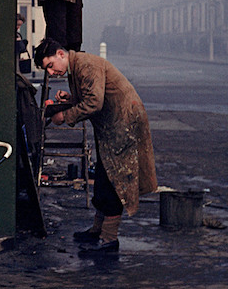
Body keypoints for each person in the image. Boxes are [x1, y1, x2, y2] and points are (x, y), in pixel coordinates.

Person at [33, 38, 157, 253]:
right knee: (103, 174)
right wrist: (71, 99)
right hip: (111, 124)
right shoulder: (77, 66)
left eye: (51, 66)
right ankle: (97, 230)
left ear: (61, 54)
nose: (51, 73)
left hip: (123, 123)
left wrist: (66, 115)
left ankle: (109, 240)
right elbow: (93, 95)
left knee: (114, 179)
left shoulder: (86, 65)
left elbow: (94, 102)